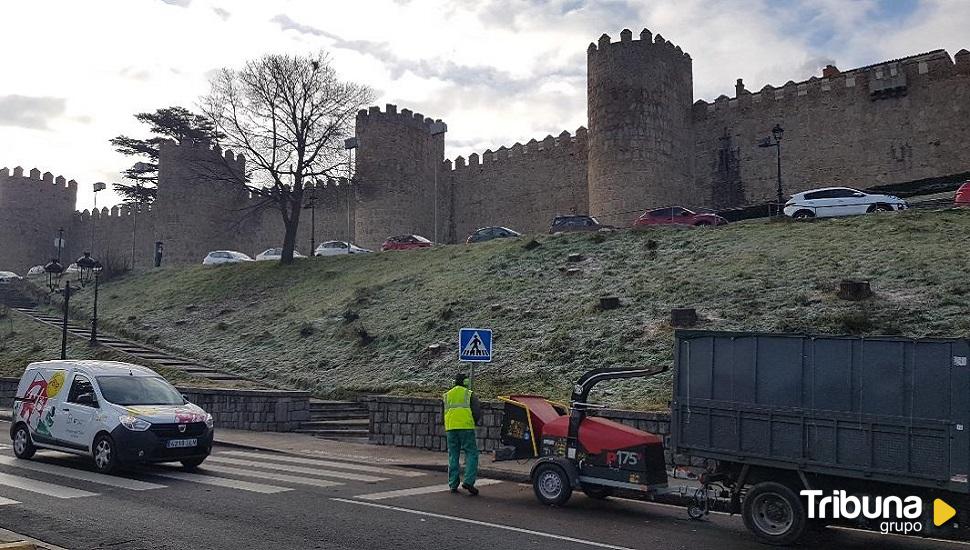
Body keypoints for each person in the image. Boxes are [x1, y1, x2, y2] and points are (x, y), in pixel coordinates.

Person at [443, 372, 481, 495]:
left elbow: (442, 413)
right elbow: (476, 412)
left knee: (453, 455)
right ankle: (469, 481)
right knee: (471, 454)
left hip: (451, 429)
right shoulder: (469, 394)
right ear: (466, 382)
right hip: (466, 428)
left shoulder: (447, 395)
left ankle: (453, 484)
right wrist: (473, 422)